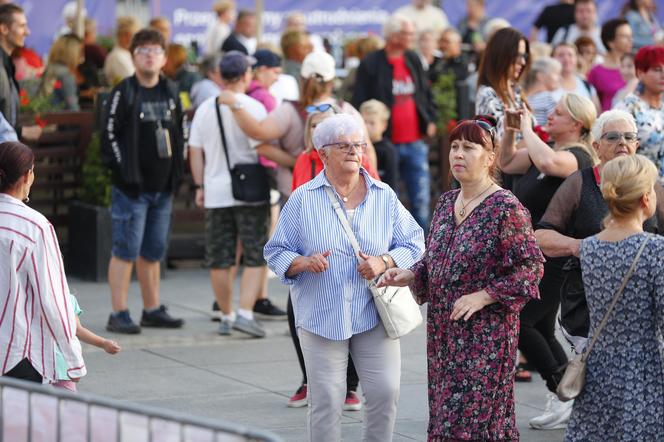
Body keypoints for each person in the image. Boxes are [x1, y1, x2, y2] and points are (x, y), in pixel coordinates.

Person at [378, 116, 544, 441]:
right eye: (454, 146)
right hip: (442, 335)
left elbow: (530, 268)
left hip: (485, 337)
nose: (458, 154)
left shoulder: (506, 208)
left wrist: (484, 295)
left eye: (469, 147)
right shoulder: (445, 203)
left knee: (476, 425)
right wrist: (411, 273)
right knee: (445, 420)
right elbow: (436, 258)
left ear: (490, 156)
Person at [265, 113, 425, 441]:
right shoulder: (302, 199)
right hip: (322, 316)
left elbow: (414, 241)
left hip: (374, 314)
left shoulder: (384, 196)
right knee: (325, 401)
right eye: (343, 146)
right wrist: (303, 262)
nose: (354, 151)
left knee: (384, 393)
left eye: (358, 145)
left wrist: (385, 261)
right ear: (322, 153)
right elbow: (275, 251)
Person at [499, 93, 597, 430]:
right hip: (529, 254)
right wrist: (512, 129)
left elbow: (548, 165)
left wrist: (527, 125)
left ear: (577, 123)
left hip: (553, 255)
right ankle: (568, 398)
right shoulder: (546, 151)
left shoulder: (577, 156)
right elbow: (506, 161)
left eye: (558, 113)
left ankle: (564, 394)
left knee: (521, 322)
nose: (550, 117)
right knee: (539, 326)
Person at [535, 109, 664, 349]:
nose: (622, 143)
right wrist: (582, 247)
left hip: (642, 310)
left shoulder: (651, 185)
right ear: (596, 146)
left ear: (637, 144)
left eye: (628, 137)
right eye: (612, 137)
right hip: (590, 307)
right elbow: (540, 236)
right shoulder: (580, 182)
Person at [189, 52, 288, 338]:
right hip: (251, 192)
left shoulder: (205, 109)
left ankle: (225, 314)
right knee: (256, 252)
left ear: (219, 75)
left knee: (220, 257)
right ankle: (245, 312)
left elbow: (195, 151)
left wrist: (199, 187)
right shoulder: (254, 107)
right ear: (247, 75)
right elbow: (264, 146)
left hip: (215, 193)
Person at [565, 154, 664, 441]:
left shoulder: (590, 247)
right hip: (642, 370)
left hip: (597, 366)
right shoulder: (654, 249)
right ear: (646, 199)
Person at [286, 105, 378, 411]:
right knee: (299, 310)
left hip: (356, 260)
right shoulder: (304, 162)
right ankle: (309, 378)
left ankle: (350, 386)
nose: (323, 131)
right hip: (313, 254)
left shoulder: (365, 171)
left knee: (357, 320)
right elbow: (297, 198)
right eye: (317, 126)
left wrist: (386, 260)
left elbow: (374, 193)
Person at [101, 28, 185, 334]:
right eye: (143, 50)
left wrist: (177, 174)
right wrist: (124, 174)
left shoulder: (172, 91)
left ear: (164, 58)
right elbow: (108, 137)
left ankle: (151, 309)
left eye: (155, 51)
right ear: (133, 56)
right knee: (125, 250)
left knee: (152, 252)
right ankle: (118, 312)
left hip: (162, 189)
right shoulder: (123, 92)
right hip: (131, 189)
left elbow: (181, 134)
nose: (150, 56)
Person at [217, 51, 377, 200]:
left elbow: (258, 133)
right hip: (345, 195)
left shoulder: (289, 112)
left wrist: (235, 105)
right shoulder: (347, 111)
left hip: (296, 192)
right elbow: (367, 151)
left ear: (302, 78)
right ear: (331, 81)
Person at [0, 141, 86, 383]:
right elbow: (53, 300)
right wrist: (73, 361)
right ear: (27, 175)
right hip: (17, 354)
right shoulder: (34, 226)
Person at [352, 14, 437, 230]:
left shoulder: (413, 59)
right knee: (388, 199)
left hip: (415, 141)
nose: (412, 37)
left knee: (420, 200)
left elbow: (425, 93)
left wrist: (430, 118)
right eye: (406, 33)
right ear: (392, 35)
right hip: (384, 143)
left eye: (412, 33)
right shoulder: (371, 62)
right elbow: (359, 100)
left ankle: (422, 250)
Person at [53, 293, 121, 392]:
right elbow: (79, 330)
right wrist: (103, 343)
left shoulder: (68, 299)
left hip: (57, 364)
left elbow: (78, 330)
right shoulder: (66, 298)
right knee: (66, 404)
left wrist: (103, 343)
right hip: (59, 362)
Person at [615, 45, 664, 181]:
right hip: (640, 188)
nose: (663, 74)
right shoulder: (628, 107)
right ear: (640, 73)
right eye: (657, 69)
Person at [476, 27, 530, 141]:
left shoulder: (516, 90)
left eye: (524, 56)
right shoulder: (487, 94)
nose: (523, 62)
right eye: (517, 55)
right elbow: (497, 141)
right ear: (501, 55)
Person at [0, 4, 41, 141]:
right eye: (22, 26)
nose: (27, 32)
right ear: (4, 29)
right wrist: (20, 131)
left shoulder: (7, 63)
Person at [587, 19, 633, 111]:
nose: (630, 40)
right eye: (625, 36)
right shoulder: (596, 72)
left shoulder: (638, 68)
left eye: (631, 36)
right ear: (610, 42)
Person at [360, 99, 399, 190]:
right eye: (364, 122)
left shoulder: (388, 150)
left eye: (372, 123)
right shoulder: (357, 147)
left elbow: (391, 181)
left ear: (384, 125)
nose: (367, 126)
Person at [38, 33, 82, 111]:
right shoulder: (66, 75)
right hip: (60, 120)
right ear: (72, 53)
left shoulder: (50, 68)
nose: (81, 56)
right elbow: (73, 108)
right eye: (80, 52)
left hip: (46, 117)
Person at [552, 43, 600, 109]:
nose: (566, 59)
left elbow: (597, 113)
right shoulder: (545, 86)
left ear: (576, 58)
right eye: (561, 55)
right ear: (552, 58)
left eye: (570, 55)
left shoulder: (585, 85)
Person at [524, 57, 563, 126]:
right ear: (540, 76)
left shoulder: (522, 96)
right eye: (556, 73)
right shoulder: (547, 98)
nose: (559, 78)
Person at [103, 16, 139, 86]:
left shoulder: (128, 54)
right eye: (126, 34)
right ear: (119, 36)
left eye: (134, 35)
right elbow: (132, 80)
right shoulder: (116, 56)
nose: (131, 38)